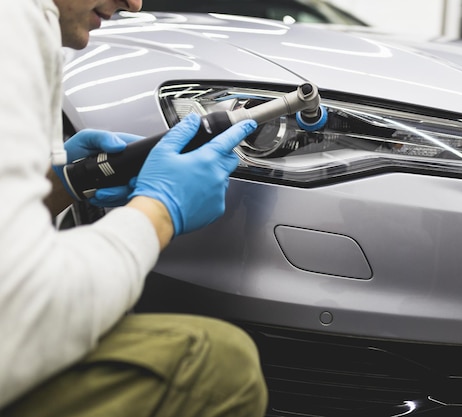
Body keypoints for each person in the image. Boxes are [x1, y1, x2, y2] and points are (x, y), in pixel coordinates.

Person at [0, 0, 268, 416]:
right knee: (218, 364)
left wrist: (66, 183)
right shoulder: (14, 23)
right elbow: (27, 310)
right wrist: (159, 212)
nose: (135, 3)